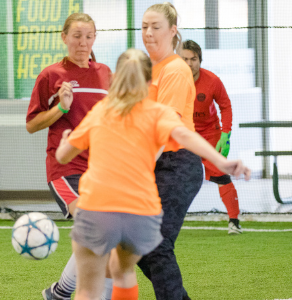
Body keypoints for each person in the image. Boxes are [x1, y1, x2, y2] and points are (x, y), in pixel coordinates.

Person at [56, 48, 250, 300]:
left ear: (113, 80)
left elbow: (63, 157)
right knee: (123, 271)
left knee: (87, 289)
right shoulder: (157, 113)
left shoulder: (101, 112)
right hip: (140, 214)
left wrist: (63, 142)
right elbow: (184, 135)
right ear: (149, 82)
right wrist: (220, 161)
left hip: (98, 208)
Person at [24, 13, 112, 300]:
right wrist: (61, 108)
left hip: (99, 170)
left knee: (105, 234)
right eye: (76, 36)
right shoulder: (51, 76)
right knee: (96, 226)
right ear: (64, 37)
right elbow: (31, 125)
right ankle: (65, 292)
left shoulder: (106, 74)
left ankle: (59, 293)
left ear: (95, 38)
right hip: (65, 168)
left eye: (88, 36)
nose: (82, 43)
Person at [137, 3, 203, 300]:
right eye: (144, 27)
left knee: (155, 243)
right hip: (156, 164)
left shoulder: (175, 69)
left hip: (178, 164)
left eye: (156, 27)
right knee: (136, 244)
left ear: (172, 31)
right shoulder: (147, 69)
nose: (148, 33)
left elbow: (167, 126)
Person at [177, 40, 242, 234]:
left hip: (210, 135)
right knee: (174, 177)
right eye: (185, 59)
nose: (189, 64)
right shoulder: (173, 80)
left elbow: (226, 106)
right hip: (183, 134)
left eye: (193, 59)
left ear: (200, 60)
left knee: (222, 175)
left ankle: (234, 222)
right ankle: (167, 220)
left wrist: (226, 134)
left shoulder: (212, 81)